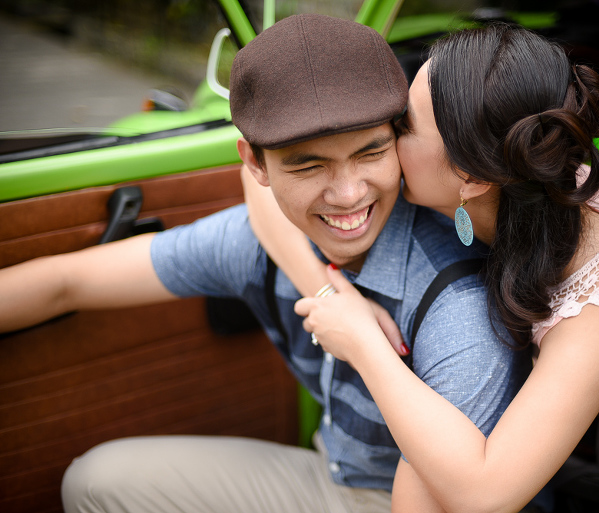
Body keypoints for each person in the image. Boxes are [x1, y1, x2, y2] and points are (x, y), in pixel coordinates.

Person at [0, 13, 530, 513]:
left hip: (408, 498)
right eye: (309, 165)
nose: (347, 195)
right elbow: (64, 282)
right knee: (95, 481)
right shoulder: (260, 242)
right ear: (254, 163)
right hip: (335, 472)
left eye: (370, 153)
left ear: (398, 141)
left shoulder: (459, 306)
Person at [245, 23, 599, 513]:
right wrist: (333, 295)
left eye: (405, 125)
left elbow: (486, 493)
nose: (387, 133)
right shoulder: (529, 178)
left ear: (472, 176)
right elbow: (256, 183)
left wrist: (365, 345)